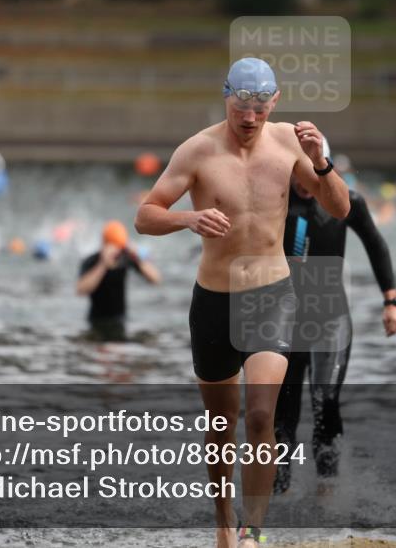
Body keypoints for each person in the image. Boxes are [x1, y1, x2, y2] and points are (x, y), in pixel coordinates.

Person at [134, 57, 349, 548]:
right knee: (219, 427)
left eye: (258, 109)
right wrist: (187, 220)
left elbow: (339, 208)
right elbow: (145, 217)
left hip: (271, 296)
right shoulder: (197, 150)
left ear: (273, 103)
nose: (249, 119)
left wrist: (321, 161)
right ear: (225, 98)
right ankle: (223, 524)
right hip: (213, 300)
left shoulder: (291, 143)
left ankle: (254, 532)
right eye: (239, 108)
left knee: (259, 416)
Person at [274, 139, 396, 496]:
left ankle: (328, 490)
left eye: (312, 168)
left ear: (324, 164)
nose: (304, 180)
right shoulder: (276, 199)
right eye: (297, 169)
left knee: (325, 400)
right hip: (283, 322)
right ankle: (277, 493)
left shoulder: (347, 200)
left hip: (331, 319)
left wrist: (392, 300)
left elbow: (376, 244)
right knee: (281, 413)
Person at [76, 220, 161, 341]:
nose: (115, 252)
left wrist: (137, 258)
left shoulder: (125, 258)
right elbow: (80, 290)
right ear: (104, 244)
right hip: (96, 321)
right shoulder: (92, 260)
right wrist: (103, 265)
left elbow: (156, 279)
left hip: (120, 319)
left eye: (119, 247)